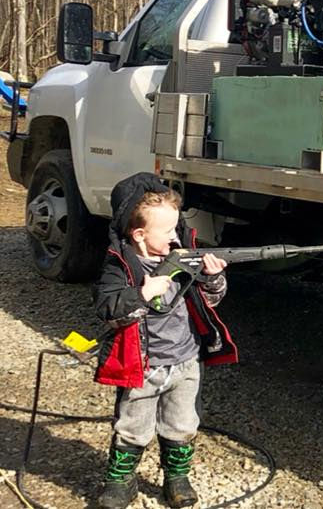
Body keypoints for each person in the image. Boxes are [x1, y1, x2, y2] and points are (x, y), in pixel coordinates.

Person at [92, 173, 237, 508]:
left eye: (177, 228)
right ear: (139, 234)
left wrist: (214, 278)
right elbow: (108, 310)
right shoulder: (120, 267)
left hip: (185, 361)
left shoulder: (183, 258)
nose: (176, 237)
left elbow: (210, 301)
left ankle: (176, 477)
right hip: (142, 365)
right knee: (132, 426)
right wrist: (142, 295)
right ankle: (121, 481)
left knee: (182, 424)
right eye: (168, 231)